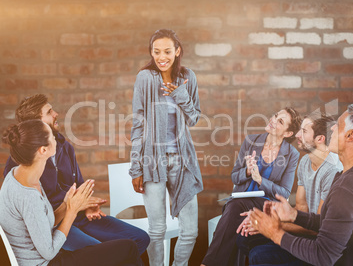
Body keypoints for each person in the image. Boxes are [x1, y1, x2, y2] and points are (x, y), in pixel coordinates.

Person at [248, 104, 353, 265]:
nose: (332, 129)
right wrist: (294, 215)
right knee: (259, 254)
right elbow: (333, 223)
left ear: (351, 135)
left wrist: (275, 232)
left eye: (338, 125)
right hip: (343, 254)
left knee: (261, 257)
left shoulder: (347, 189)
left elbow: (323, 256)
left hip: (336, 260)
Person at [3, 94, 150, 256]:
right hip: (54, 226)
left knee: (140, 238)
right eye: (49, 112)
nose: (56, 114)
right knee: (102, 252)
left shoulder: (64, 146)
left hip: (79, 216)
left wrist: (87, 205)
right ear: (36, 125)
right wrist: (70, 207)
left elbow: (78, 185)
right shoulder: (20, 163)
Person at [129, 29, 203, 266]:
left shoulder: (188, 77)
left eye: (167, 51)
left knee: (190, 231)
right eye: (157, 51)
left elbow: (194, 118)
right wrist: (136, 168)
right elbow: (138, 124)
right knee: (157, 230)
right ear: (151, 52)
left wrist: (181, 95)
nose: (162, 57)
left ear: (177, 51)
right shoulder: (145, 78)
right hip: (153, 161)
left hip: (182, 161)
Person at [236, 113, 342, 265]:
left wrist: (273, 226)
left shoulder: (332, 171)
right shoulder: (305, 162)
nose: (297, 135)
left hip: (319, 243)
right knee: (244, 238)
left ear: (320, 139)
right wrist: (268, 218)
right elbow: (300, 207)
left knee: (258, 255)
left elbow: (320, 228)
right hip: (306, 232)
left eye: (304, 132)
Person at [201, 107, 302, 266]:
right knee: (238, 215)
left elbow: (284, 192)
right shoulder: (251, 141)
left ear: (288, 133)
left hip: (266, 205)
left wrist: (260, 180)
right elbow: (234, 175)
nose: (273, 120)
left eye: (280, 121)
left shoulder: (291, 154)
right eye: (275, 115)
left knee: (235, 210)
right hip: (241, 200)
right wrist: (247, 171)